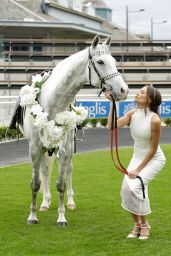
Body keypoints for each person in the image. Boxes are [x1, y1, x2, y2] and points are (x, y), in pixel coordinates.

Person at [105, 85, 166, 240]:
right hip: (137, 156)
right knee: (126, 189)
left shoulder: (155, 120)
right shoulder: (132, 114)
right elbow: (111, 126)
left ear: (150, 99)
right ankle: (137, 224)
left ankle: (145, 225)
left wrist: (138, 170)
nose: (138, 93)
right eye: (139, 91)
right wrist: (112, 104)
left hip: (153, 159)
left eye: (142, 92)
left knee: (137, 187)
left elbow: (153, 149)